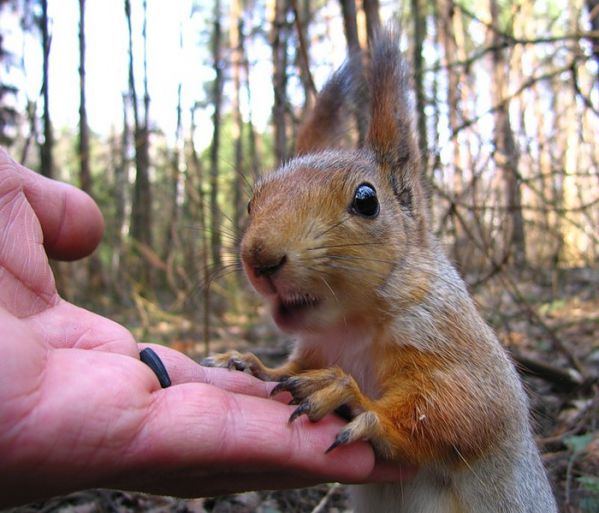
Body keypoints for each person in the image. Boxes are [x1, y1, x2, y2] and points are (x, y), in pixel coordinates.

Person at [0, 148, 413, 508]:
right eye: (255, 209)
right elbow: (310, 375)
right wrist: (272, 378)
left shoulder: (418, 316)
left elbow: (468, 417)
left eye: (361, 201)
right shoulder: (326, 337)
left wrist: (380, 418)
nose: (258, 250)